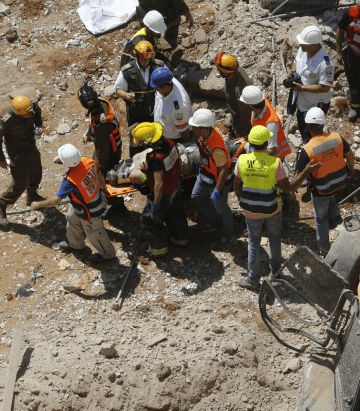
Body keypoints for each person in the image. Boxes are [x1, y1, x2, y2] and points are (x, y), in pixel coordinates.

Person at [234, 126, 321, 291]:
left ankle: (253, 279)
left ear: (251, 143)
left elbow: (236, 185)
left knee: (253, 241)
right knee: (274, 239)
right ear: (267, 143)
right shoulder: (276, 163)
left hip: (250, 210)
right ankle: (276, 274)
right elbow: (288, 188)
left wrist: (243, 201)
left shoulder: (242, 161)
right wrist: (305, 172)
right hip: (272, 208)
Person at [32, 144, 116, 264]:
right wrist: (105, 189)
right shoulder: (88, 161)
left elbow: (56, 201)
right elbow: (99, 175)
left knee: (95, 232)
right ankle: (76, 244)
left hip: (91, 211)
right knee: (72, 217)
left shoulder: (70, 181)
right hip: (91, 200)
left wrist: (38, 204)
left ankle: (108, 254)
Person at [291, 108, 355, 255]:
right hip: (340, 181)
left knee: (320, 218)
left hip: (321, 188)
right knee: (331, 195)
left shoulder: (307, 150)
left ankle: (325, 249)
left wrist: (292, 190)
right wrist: (351, 169)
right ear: (323, 125)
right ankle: (335, 217)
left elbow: (299, 174)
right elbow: (349, 155)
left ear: (307, 127)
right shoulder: (336, 137)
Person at [129, 123, 190, 258]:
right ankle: (181, 239)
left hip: (164, 193)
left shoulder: (155, 159)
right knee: (175, 212)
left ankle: (158, 250)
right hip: (176, 185)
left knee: (149, 221)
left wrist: (155, 205)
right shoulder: (171, 143)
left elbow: (159, 184)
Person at [0, 95, 44, 227]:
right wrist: (1, 159)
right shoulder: (5, 121)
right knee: (19, 184)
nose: (30, 114)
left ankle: (32, 195)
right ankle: (0, 206)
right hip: (17, 155)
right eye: (28, 114)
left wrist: (38, 126)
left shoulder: (30, 108)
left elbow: (37, 115)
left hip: (31, 148)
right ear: (19, 113)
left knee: (36, 172)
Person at [79, 81, 127, 218]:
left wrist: (98, 170)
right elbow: (94, 120)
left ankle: (116, 205)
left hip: (109, 151)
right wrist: (88, 132)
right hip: (110, 144)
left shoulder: (101, 125)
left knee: (105, 179)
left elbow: (102, 151)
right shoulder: (101, 103)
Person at [189, 109, 235, 249]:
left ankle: (228, 234)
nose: (192, 129)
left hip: (216, 180)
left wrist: (217, 190)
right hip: (205, 174)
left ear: (203, 130)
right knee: (196, 197)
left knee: (222, 209)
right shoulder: (206, 134)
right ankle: (214, 222)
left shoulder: (217, 148)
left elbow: (224, 170)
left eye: (195, 127)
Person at [114, 41, 167, 157]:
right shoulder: (127, 70)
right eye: (143, 58)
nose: (146, 61)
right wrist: (126, 95)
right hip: (137, 115)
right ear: (137, 56)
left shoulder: (159, 66)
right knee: (137, 144)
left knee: (157, 142)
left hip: (156, 114)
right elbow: (118, 89)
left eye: (149, 58)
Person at [289, 25, 335, 144]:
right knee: (302, 127)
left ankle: (313, 154)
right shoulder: (303, 50)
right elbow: (295, 61)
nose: (300, 45)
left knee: (312, 134)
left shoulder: (325, 63)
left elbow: (325, 88)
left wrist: (302, 88)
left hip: (316, 103)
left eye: (303, 43)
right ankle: (307, 148)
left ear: (314, 45)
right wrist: (292, 71)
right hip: (302, 100)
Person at [239, 85, 292, 160]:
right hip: (261, 148)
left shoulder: (271, 124)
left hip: (273, 159)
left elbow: (272, 150)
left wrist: (253, 154)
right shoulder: (262, 103)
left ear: (249, 105)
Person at [214, 52, 254, 138]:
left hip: (242, 121)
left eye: (219, 70)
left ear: (225, 71)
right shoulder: (233, 71)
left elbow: (245, 115)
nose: (218, 71)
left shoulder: (242, 90)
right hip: (235, 113)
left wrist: (244, 136)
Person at [151, 67, 193, 143]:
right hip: (162, 133)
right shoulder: (167, 79)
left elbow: (184, 131)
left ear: (165, 87)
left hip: (174, 140)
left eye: (156, 88)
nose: (155, 89)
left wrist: (187, 147)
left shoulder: (179, 107)